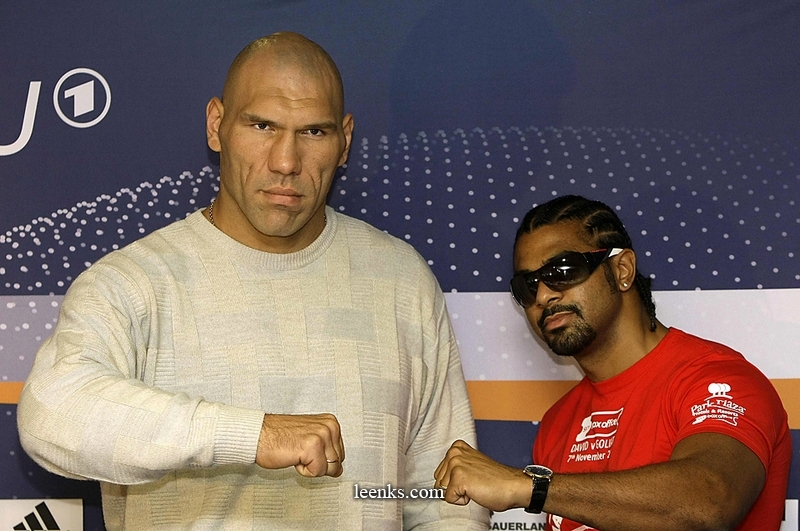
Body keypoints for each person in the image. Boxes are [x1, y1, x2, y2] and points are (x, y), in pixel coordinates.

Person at [18, 32, 488, 530]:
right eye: (262, 125)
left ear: (345, 141)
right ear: (216, 125)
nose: (286, 162)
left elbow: (445, 504)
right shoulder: (133, 282)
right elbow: (51, 414)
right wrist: (254, 436)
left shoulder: (402, 281)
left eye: (314, 132)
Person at [434, 195, 791, 531]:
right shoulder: (558, 423)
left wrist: (529, 487)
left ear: (622, 270)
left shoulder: (720, 381)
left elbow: (709, 501)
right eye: (527, 286)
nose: (543, 295)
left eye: (563, 270)